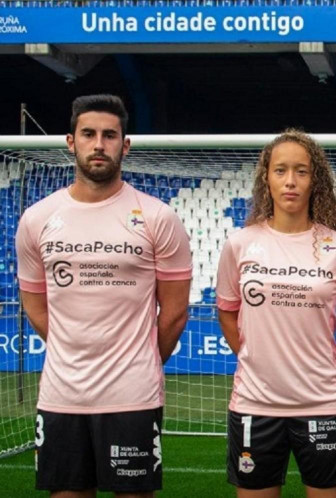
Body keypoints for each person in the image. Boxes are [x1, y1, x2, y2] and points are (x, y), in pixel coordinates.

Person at [16, 94, 192, 496]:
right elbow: (34, 303)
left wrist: (141, 360)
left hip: (132, 393)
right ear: (70, 141)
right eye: (89, 134)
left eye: (110, 135)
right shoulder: (37, 219)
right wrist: (68, 349)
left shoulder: (157, 217)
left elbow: (176, 311)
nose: (99, 144)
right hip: (62, 394)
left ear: (125, 145)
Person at [216, 129, 336, 498]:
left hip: (323, 403)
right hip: (255, 404)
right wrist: (255, 361)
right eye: (281, 170)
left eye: (301, 171)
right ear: (266, 177)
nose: (290, 181)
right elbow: (227, 312)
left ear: (314, 179)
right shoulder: (240, 244)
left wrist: (331, 369)